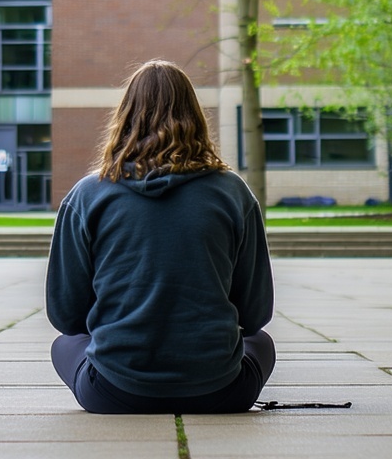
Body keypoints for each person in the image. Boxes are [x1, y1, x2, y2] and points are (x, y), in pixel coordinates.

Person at [46, 60, 275, 414]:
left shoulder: (87, 195)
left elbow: (66, 317)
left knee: (63, 343)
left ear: (124, 118)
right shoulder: (233, 193)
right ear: (196, 118)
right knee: (262, 342)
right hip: (222, 391)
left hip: (113, 391)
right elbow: (255, 314)